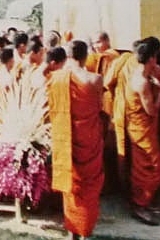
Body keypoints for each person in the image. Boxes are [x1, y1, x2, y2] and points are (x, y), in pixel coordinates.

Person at [47, 40, 105, 240]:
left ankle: (72, 230)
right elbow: (99, 106)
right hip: (89, 136)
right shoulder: (95, 79)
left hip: (67, 137)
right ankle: (85, 230)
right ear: (86, 56)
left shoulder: (57, 78)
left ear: (69, 57)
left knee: (72, 183)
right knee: (89, 184)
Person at [118, 39, 160, 225]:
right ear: (152, 58)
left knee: (149, 167)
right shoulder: (141, 81)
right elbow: (152, 110)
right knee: (151, 168)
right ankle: (139, 205)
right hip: (141, 129)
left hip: (143, 128)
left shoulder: (143, 74)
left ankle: (144, 202)